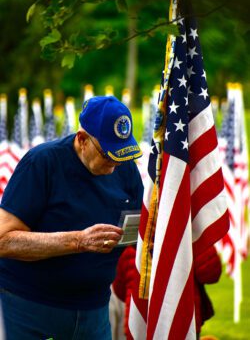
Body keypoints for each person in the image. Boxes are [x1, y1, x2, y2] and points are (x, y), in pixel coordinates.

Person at [0, 96, 144, 340]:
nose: (114, 165)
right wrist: (78, 241)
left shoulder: (124, 167)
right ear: (82, 140)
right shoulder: (42, 163)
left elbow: (137, 225)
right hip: (29, 306)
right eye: (107, 155)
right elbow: (3, 240)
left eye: (122, 155)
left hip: (95, 307)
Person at [112, 245, 222, 339]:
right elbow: (211, 273)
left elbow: (119, 288)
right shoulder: (189, 229)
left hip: (141, 323)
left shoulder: (132, 235)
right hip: (181, 322)